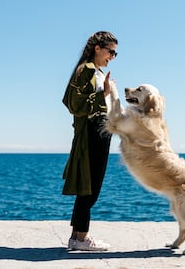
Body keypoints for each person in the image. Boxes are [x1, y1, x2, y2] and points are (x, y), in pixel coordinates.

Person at [62, 31, 118, 251]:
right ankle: (82, 238)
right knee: (90, 187)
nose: (112, 56)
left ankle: (76, 237)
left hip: (98, 133)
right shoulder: (86, 70)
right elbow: (73, 104)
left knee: (88, 186)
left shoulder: (96, 71)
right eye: (110, 51)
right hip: (91, 135)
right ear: (97, 48)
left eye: (115, 54)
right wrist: (103, 92)